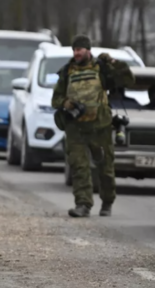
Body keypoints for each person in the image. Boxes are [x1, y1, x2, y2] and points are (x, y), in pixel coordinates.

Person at [52, 35, 134, 218]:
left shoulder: (102, 68)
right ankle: (83, 204)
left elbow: (127, 80)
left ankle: (107, 201)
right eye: (74, 50)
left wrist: (113, 61)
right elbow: (55, 99)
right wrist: (66, 104)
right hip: (76, 128)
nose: (76, 53)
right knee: (79, 167)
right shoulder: (67, 72)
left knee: (105, 167)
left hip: (100, 127)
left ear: (88, 50)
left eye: (79, 50)